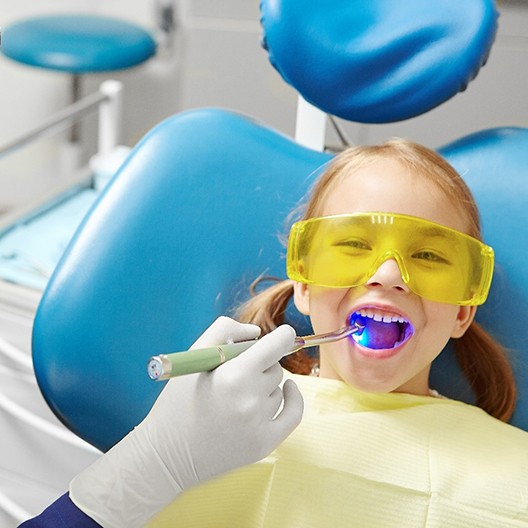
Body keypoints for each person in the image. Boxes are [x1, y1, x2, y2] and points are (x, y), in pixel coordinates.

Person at [24, 139, 528, 527]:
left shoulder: (516, 467)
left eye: (430, 256)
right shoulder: (205, 431)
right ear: (303, 286)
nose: (389, 275)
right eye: (352, 245)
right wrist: (156, 462)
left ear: (464, 309)